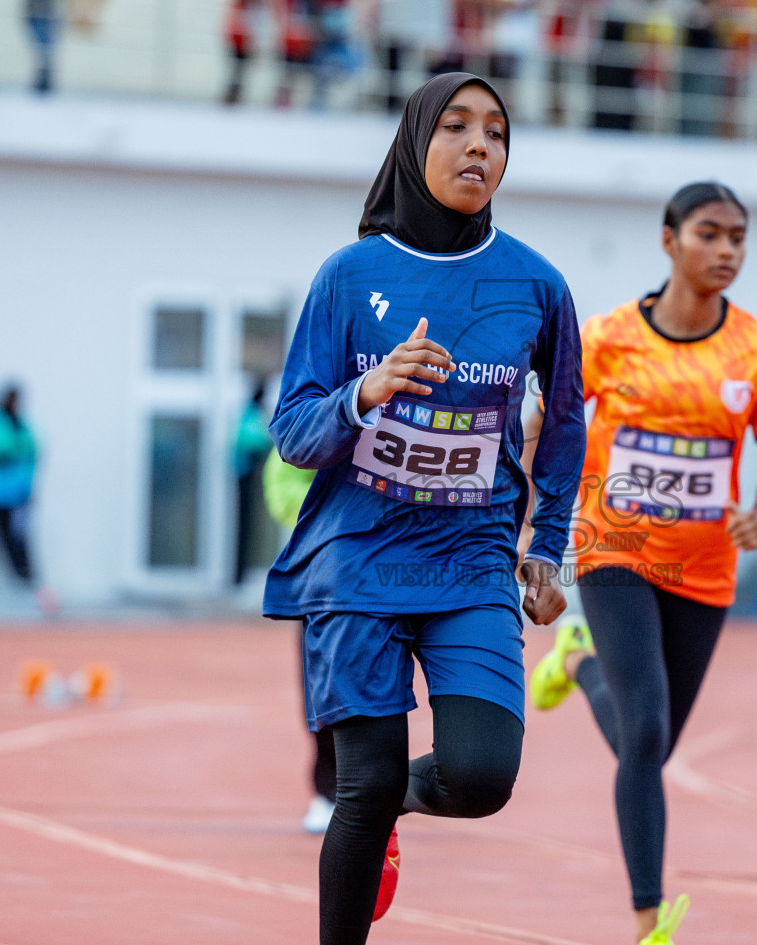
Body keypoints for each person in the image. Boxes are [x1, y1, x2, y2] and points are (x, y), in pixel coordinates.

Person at [264, 72, 585, 945]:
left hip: (472, 561)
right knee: (357, 787)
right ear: (414, 141)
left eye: (497, 133)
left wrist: (548, 549)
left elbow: (563, 425)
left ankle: (388, 803)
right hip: (357, 558)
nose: (480, 146)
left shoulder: (537, 286)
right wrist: (366, 391)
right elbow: (292, 429)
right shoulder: (349, 276)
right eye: (456, 127)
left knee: (481, 778)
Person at [530, 181, 757, 945]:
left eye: (738, 238)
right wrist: (532, 525)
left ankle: (577, 664)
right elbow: (547, 431)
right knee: (645, 733)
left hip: (707, 567)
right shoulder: (608, 337)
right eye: (709, 234)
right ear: (668, 240)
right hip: (614, 548)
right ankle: (650, 918)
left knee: (652, 741)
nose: (726, 251)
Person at [263, 446, 337, 834]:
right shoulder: (312, 413)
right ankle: (328, 792)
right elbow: (282, 485)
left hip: (385, 569)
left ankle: (376, 787)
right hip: (321, 573)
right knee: (319, 688)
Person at [0, 385, 40, 585]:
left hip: (21, 494)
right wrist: (14, 448)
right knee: (5, 537)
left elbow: (33, 449)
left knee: (20, 537)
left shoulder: (21, 424)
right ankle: (18, 577)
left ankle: (27, 576)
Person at [222, 0, 272, 105]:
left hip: (244, 19)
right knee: (240, 62)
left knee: (239, 64)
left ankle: (234, 97)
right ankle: (233, 98)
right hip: (246, 20)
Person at [232, 382, 273, 584]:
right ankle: (238, 576)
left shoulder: (250, 412)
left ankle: (241, 575)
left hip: (248, 473)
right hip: (245, 475)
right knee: (243, 526)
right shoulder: (251, 413)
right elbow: (254, 439)